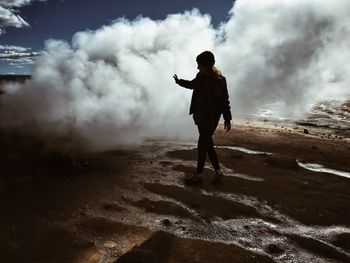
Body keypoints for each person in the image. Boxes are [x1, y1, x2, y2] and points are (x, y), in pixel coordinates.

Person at [173, 51, 232, 185]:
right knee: (208, 145)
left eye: (199, 64)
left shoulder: (220, 80)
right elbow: (192, 85)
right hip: (200, 116)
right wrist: (179, 81)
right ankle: (218, 172)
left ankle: (198, 175)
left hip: (211, 118)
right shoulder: (201, 77)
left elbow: (224, 101)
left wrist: (227, 119)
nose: (197, 67)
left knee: (201, 146)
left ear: (205, 64)